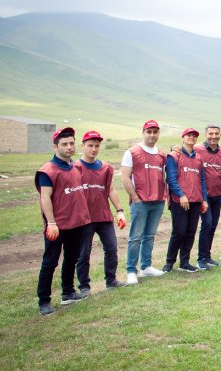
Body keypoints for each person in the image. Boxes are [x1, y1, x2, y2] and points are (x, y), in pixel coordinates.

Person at [35, 127, 92, 315]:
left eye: (71, 143)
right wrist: (51, 223)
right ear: (55, 146)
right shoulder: (47, 171)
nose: (69, 147)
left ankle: (68, 292)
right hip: (56, 226)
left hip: (75, 223)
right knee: (50, 262)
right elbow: (45, 198)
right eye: (64, 144)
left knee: (71, 258)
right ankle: (44, 301)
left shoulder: (75, 166)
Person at [74, 131, 127, 296]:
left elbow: (111, 189)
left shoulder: (106, 168)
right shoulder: (75, 168)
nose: (94, 149)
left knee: (111, 248)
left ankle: (111, 280)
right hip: (85, 218)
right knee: (84, 253)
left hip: (104, 216)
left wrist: (119, 211)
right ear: (83, 146)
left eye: (97, 146)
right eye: (90, 145)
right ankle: (84, 286)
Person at [121, 120, 167, 283]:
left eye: (155, 132)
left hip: (158, 201)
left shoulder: (161, 154)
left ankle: (146, 266)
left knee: (150, 235)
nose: (152, 135)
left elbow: (163, 175)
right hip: (140, 202)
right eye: (149, 131)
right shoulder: (132, 152)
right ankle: (131, 270)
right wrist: (135, 198)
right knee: (136, 237)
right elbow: (125, 177)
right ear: (143, 132)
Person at [163, 128, 208, 273]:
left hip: (195, 200)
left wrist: (204, 199)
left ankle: (185, 262)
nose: (192, 138)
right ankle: (169, 262)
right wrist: (181, 194)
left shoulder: (199, 158)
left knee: (190, 231)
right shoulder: (174, 156)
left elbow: (202, 180)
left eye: (194, 136)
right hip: (179, 200)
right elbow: (171, 178)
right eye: (189, 135)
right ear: (182, 138)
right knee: (179, 231)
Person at [193, 124, 221, 270]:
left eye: (216, 134)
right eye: (211, 133)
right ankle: (201, 259)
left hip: (217, 195)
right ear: (205, 135)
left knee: (213, 225)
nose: (214, 136)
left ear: (220, 135)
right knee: (207, 224)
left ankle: (207, 256)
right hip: (203, 196)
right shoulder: (197, 149)